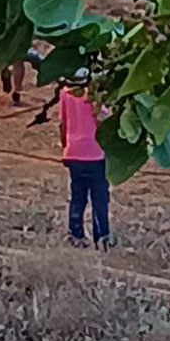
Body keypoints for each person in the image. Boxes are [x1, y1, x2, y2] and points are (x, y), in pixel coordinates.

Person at [60, 87, 113, 249]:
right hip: (95, 152)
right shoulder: (94, 92)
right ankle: (102, 236)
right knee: (100, 198)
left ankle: (76, 234)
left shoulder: (66, 92)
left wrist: (65, 146)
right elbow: (103, 118)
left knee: (77, 196)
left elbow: (63, 123)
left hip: (73, 152)